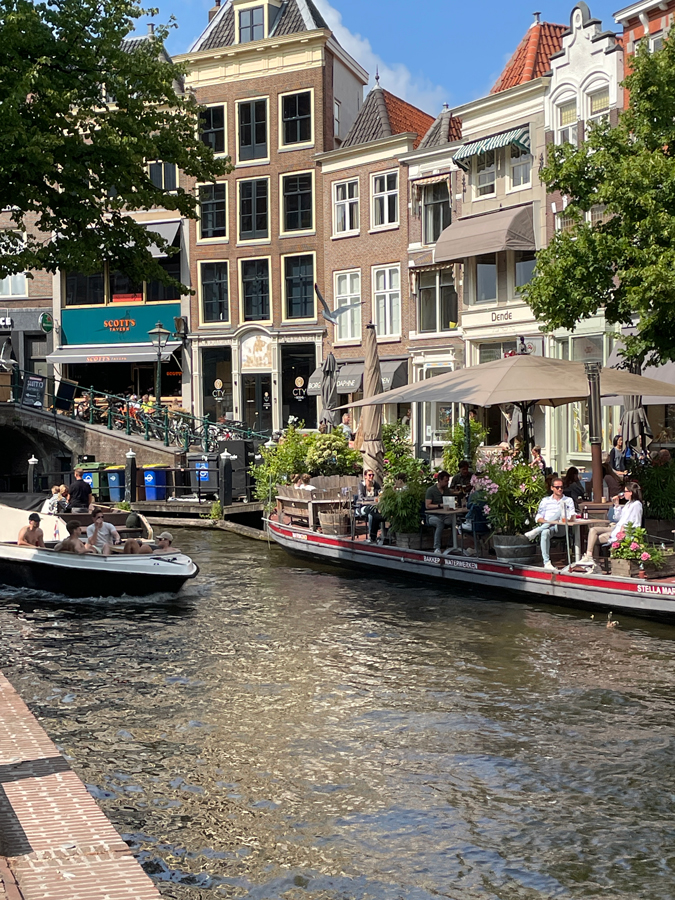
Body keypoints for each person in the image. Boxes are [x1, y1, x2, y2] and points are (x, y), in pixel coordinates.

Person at [525, 477, 576, 572]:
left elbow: (572, 516)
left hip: (561, 527)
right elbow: (538, 517)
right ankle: (546, 562)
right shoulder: (545, 501)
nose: (560, 489)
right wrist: (547, 522)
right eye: (557, 487)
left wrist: (567, 517)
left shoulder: (568, 500)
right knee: (545, 532)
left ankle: (536, 531)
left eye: (561, 487)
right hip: (549, 527)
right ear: (552, 488)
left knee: (561, 511)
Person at [583, 481, 644, 560]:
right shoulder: (628, 504)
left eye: (625, 491)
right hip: (616, 529)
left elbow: (636, 522)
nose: (624, 493)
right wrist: (617, 505)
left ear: (631, 492)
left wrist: (625, 529)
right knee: (593, 530)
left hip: (623, 532)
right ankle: (589, 556)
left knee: (596, 539)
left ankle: (591, 559)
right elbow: (618, 518)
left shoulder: (636, 505)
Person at [425, 471, 453, 555]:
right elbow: (428, 506)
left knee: (454, 522)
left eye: (448, 481)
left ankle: (451, 545)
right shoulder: (431, 490)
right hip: (432, 515)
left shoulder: (447, 490)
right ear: (440, 480)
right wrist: (440, 505)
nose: (447, 483)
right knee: (439, 523)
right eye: (445, 481)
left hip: (444, 514)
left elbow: (448, 501)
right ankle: (437, 547)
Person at [357, 469, 383, 542]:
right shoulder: (361, 485)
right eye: (369, 475)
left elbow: (380, 494)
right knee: (372, 511)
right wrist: (373, 499)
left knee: (372, 514)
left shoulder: (376, 485)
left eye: (373, 475)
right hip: (362, 508)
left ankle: (372, 536)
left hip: (373, 508)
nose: (371, 476)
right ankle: (373, 535)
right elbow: (361, 498)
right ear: (365, 476)